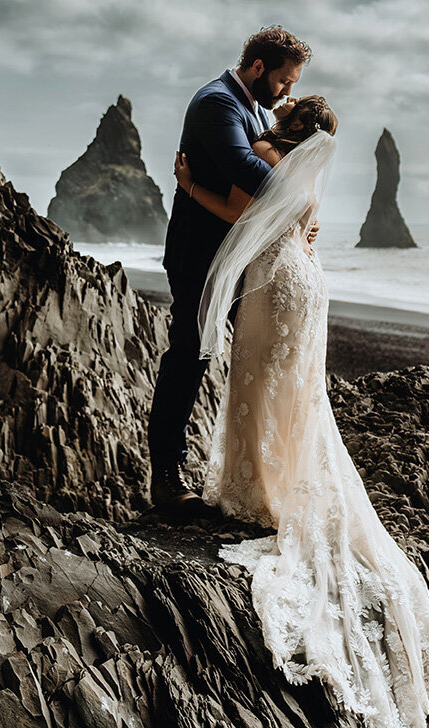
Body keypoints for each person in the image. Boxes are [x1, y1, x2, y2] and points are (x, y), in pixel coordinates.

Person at [173, 97, 429, 728]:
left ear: (294, 122)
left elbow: (240, 214)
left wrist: (190, 188)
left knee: (256, 383)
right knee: (293, 391)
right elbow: (296, 221)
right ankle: (279, 483)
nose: (284, 99)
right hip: (308, 278)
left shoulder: (269, 156)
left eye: (291, 99)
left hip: (274, 279)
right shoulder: (309, 170)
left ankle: (256, 488)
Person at [148, 26, 314, 516]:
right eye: (285, 80)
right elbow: (247, 168)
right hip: (200, 254)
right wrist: (302, 201)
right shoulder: (216, 103)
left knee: (255, 358)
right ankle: (167, 478)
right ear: (258, 67)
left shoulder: (257, 108)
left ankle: (256, 475)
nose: (288, 90)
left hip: (239, 256)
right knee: (190, 354)